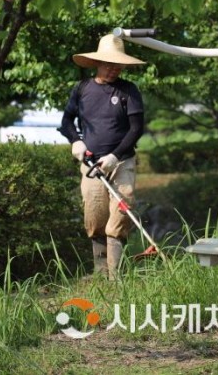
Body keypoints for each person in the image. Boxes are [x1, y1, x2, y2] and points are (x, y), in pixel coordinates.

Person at [59, 34, 145, 280]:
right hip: (91, 163)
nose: (113, 69)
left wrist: (115, 156)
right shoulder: (82, 88)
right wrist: (75, 140)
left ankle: (116, 276)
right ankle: (100, 273)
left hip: (121, 162)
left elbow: (136, 128)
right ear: (98, 63)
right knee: (94, 214)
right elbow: (66, 121)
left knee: (121, 210)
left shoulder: (129, 90)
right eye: (109, 64)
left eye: (118, 65)